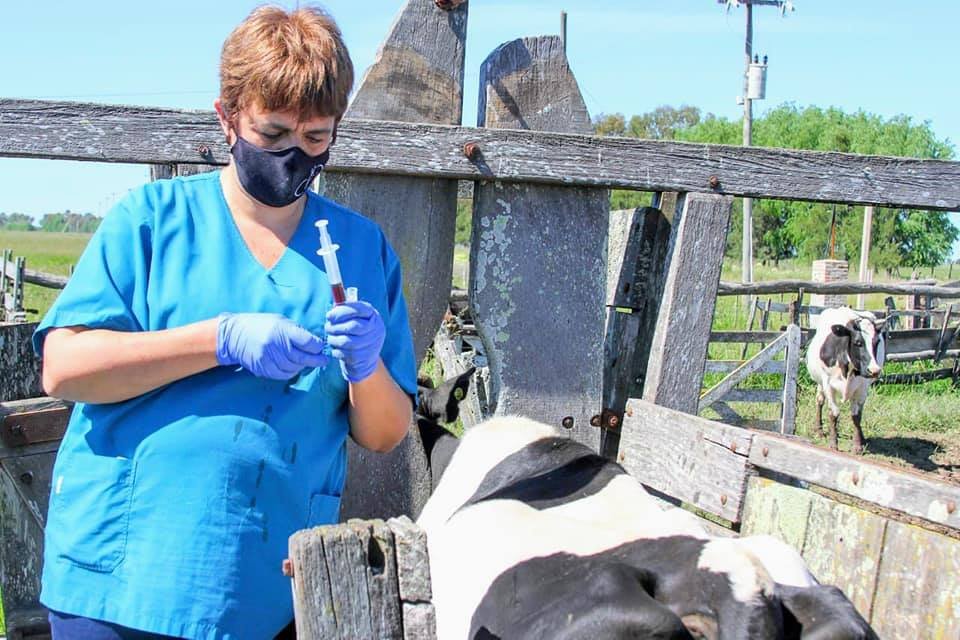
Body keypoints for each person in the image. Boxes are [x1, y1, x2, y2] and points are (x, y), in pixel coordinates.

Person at [33, 6, 417, 639]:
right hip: (120, 582)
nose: (294, 156)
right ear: (227, 116)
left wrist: (366, 367)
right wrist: (219, 339)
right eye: (272, 134)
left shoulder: (361, 249)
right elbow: (65, 368)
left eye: (316, 138)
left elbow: (383, 434)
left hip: (267, 587)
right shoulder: (150, 221)